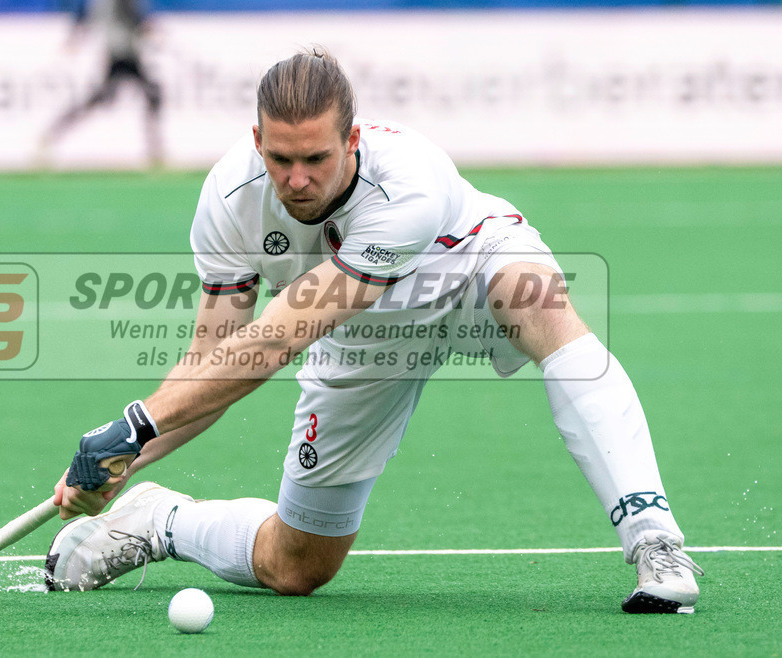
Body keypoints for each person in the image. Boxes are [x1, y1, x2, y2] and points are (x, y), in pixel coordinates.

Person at [45, 50, 704, 614]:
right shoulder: (227, 201)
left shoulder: (409, 181)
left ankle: (655, 540)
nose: (297, 180)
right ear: (256, 140)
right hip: (362, 337)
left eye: (315, 158)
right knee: (298, 565)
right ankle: (161, 521)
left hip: (466, 264)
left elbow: (278, 340)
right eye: (279, 158)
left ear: (353, 140)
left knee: (539, 304)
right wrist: (128, 457)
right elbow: (211, 362)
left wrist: (134, 425)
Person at [41, 0, 163, 164]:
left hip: (118, 49)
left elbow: (88, 11)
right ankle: (155, 152)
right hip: (123, 51)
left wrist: (77, 35)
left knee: (106, 97)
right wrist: (145, 26)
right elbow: (131, 9)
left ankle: (53, 134)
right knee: (148, 95)